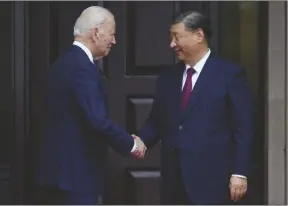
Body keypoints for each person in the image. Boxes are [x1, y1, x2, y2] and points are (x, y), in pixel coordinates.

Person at [133, 10, 254, 205]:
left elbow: (243, 129)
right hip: (174, 180)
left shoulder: (230, 75)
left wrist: (240, 172)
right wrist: (137, 142)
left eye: (177, 37)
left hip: (212, 180)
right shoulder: (168, 78)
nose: (172, 44)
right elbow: (156, 121)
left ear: (199, 35)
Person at [35, 6, 146, 205]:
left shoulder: (62, 63)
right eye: (111, 34)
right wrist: (131, 144)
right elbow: (98, 120)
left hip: (58, 174)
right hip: (76, 176)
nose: (114, 41)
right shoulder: (82, 68)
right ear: (95, 33)